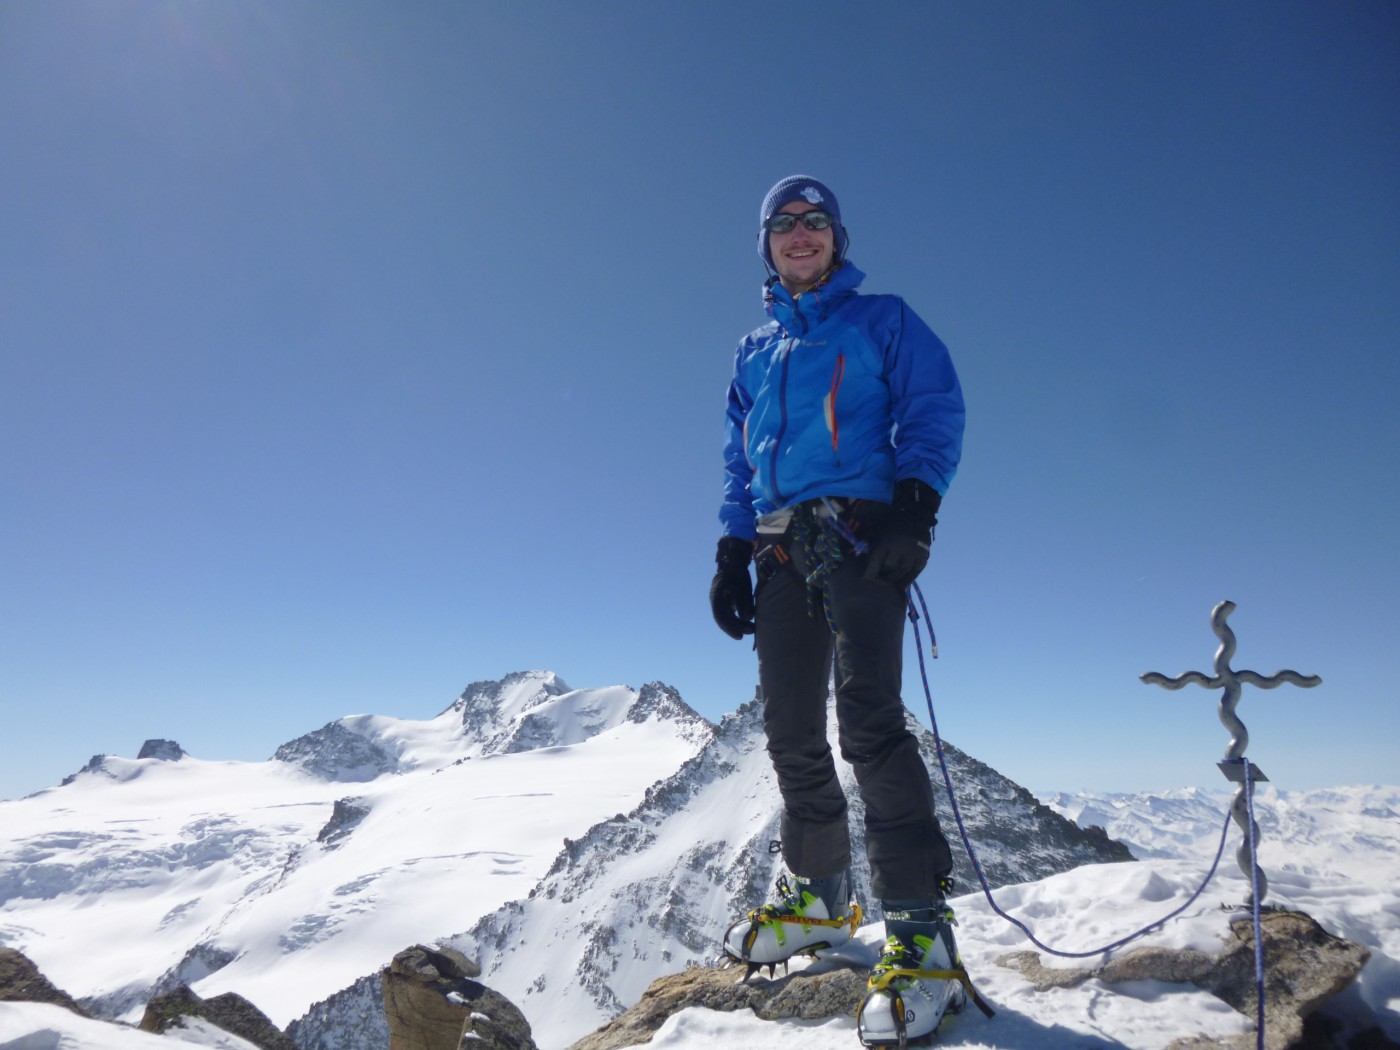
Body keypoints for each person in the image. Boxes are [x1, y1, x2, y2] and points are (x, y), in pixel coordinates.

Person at [710, 175, 970, 1045]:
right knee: (789, 727)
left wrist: (915, 506)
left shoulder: (882, 319)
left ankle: (922, 935)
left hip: (862, 535)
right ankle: (820, 897)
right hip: (782, 547)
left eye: (815, 221)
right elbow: (739, 459)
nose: (800, 232)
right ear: (766, 244)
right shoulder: (754, 351)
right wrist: (731, 550)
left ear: (836, 238)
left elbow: (933, 406)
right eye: (784, 223)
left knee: (868, 722)